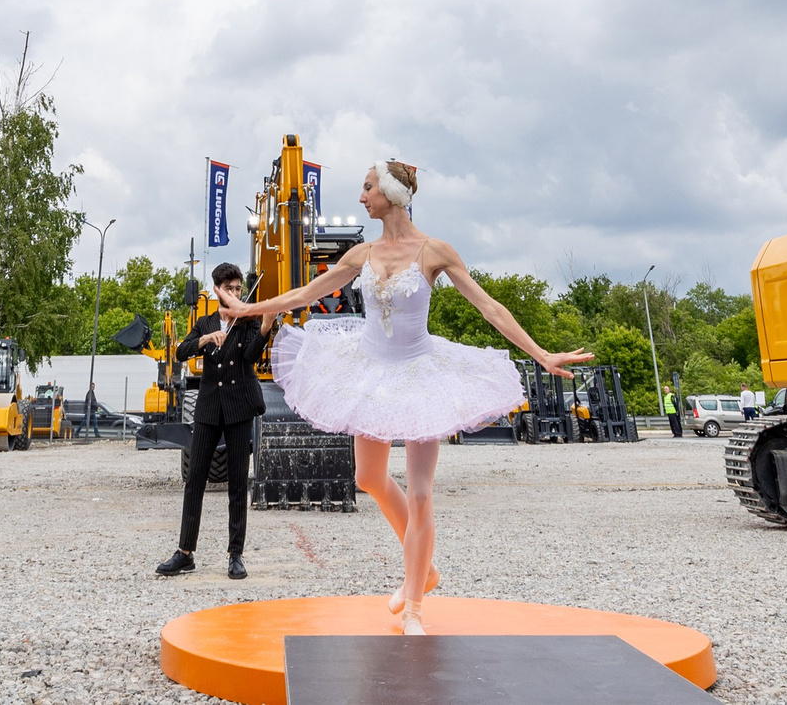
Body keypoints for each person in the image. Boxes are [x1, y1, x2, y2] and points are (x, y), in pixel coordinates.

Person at [218, 159, 591, 634]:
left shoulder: (435, 252)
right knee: (368, 477)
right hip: (368, 371)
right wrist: (250, 308)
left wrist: (540, 354)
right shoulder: (361, 255)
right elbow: (304, 294)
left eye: (367, 187)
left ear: (391, 194)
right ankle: (426, 567)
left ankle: (414, 603)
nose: (361, 197)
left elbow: (490, 308)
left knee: (419, 494)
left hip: (420, 375)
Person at [154, 264, 272, 582]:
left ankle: (235, 555)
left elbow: (249, 356)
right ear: (218, 289)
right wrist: (205, 339)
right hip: (207, 410)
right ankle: (185, 553)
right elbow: (180, 353)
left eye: (238, 289)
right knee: (195, 482)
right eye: (230, 288)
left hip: (237, 410)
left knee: (236, 484)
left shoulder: (247, 319)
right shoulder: (205, 321)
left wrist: (266, 326)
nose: (236, 293)